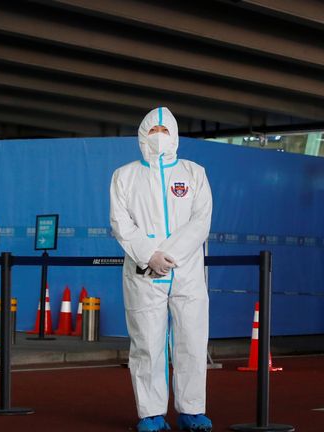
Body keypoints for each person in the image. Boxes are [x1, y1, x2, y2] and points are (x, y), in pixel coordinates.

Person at [110, 107, 213, 432]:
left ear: (175, 135)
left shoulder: (194, 173)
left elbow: (201, 222)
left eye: (164, 131)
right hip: (144, 275)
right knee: (147, 344)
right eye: (152, 132)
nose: (158, 138)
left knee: (192, 341)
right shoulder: (124, 176)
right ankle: (151, 414)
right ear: (142, 136)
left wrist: (166, 254)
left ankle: (192, 410)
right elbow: (120, 223)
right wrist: (147, 255)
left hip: (188, 272)